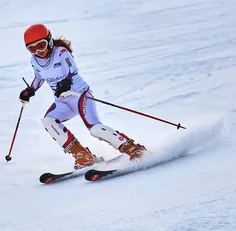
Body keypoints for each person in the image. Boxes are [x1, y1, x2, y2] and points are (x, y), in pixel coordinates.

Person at [20, 23, 147, 169]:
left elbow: (72, 70)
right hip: (62, 101)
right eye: (32, 48)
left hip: (79, 95)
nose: (38, 51)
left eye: (41, 45)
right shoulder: (34, 60)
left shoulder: (61, 52)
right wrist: (30, 90)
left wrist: (65, 83)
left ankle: (134, 148)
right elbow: (39, 78)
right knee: (48, 121)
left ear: (49, 40)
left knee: (95, 129)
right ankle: (82, 155)